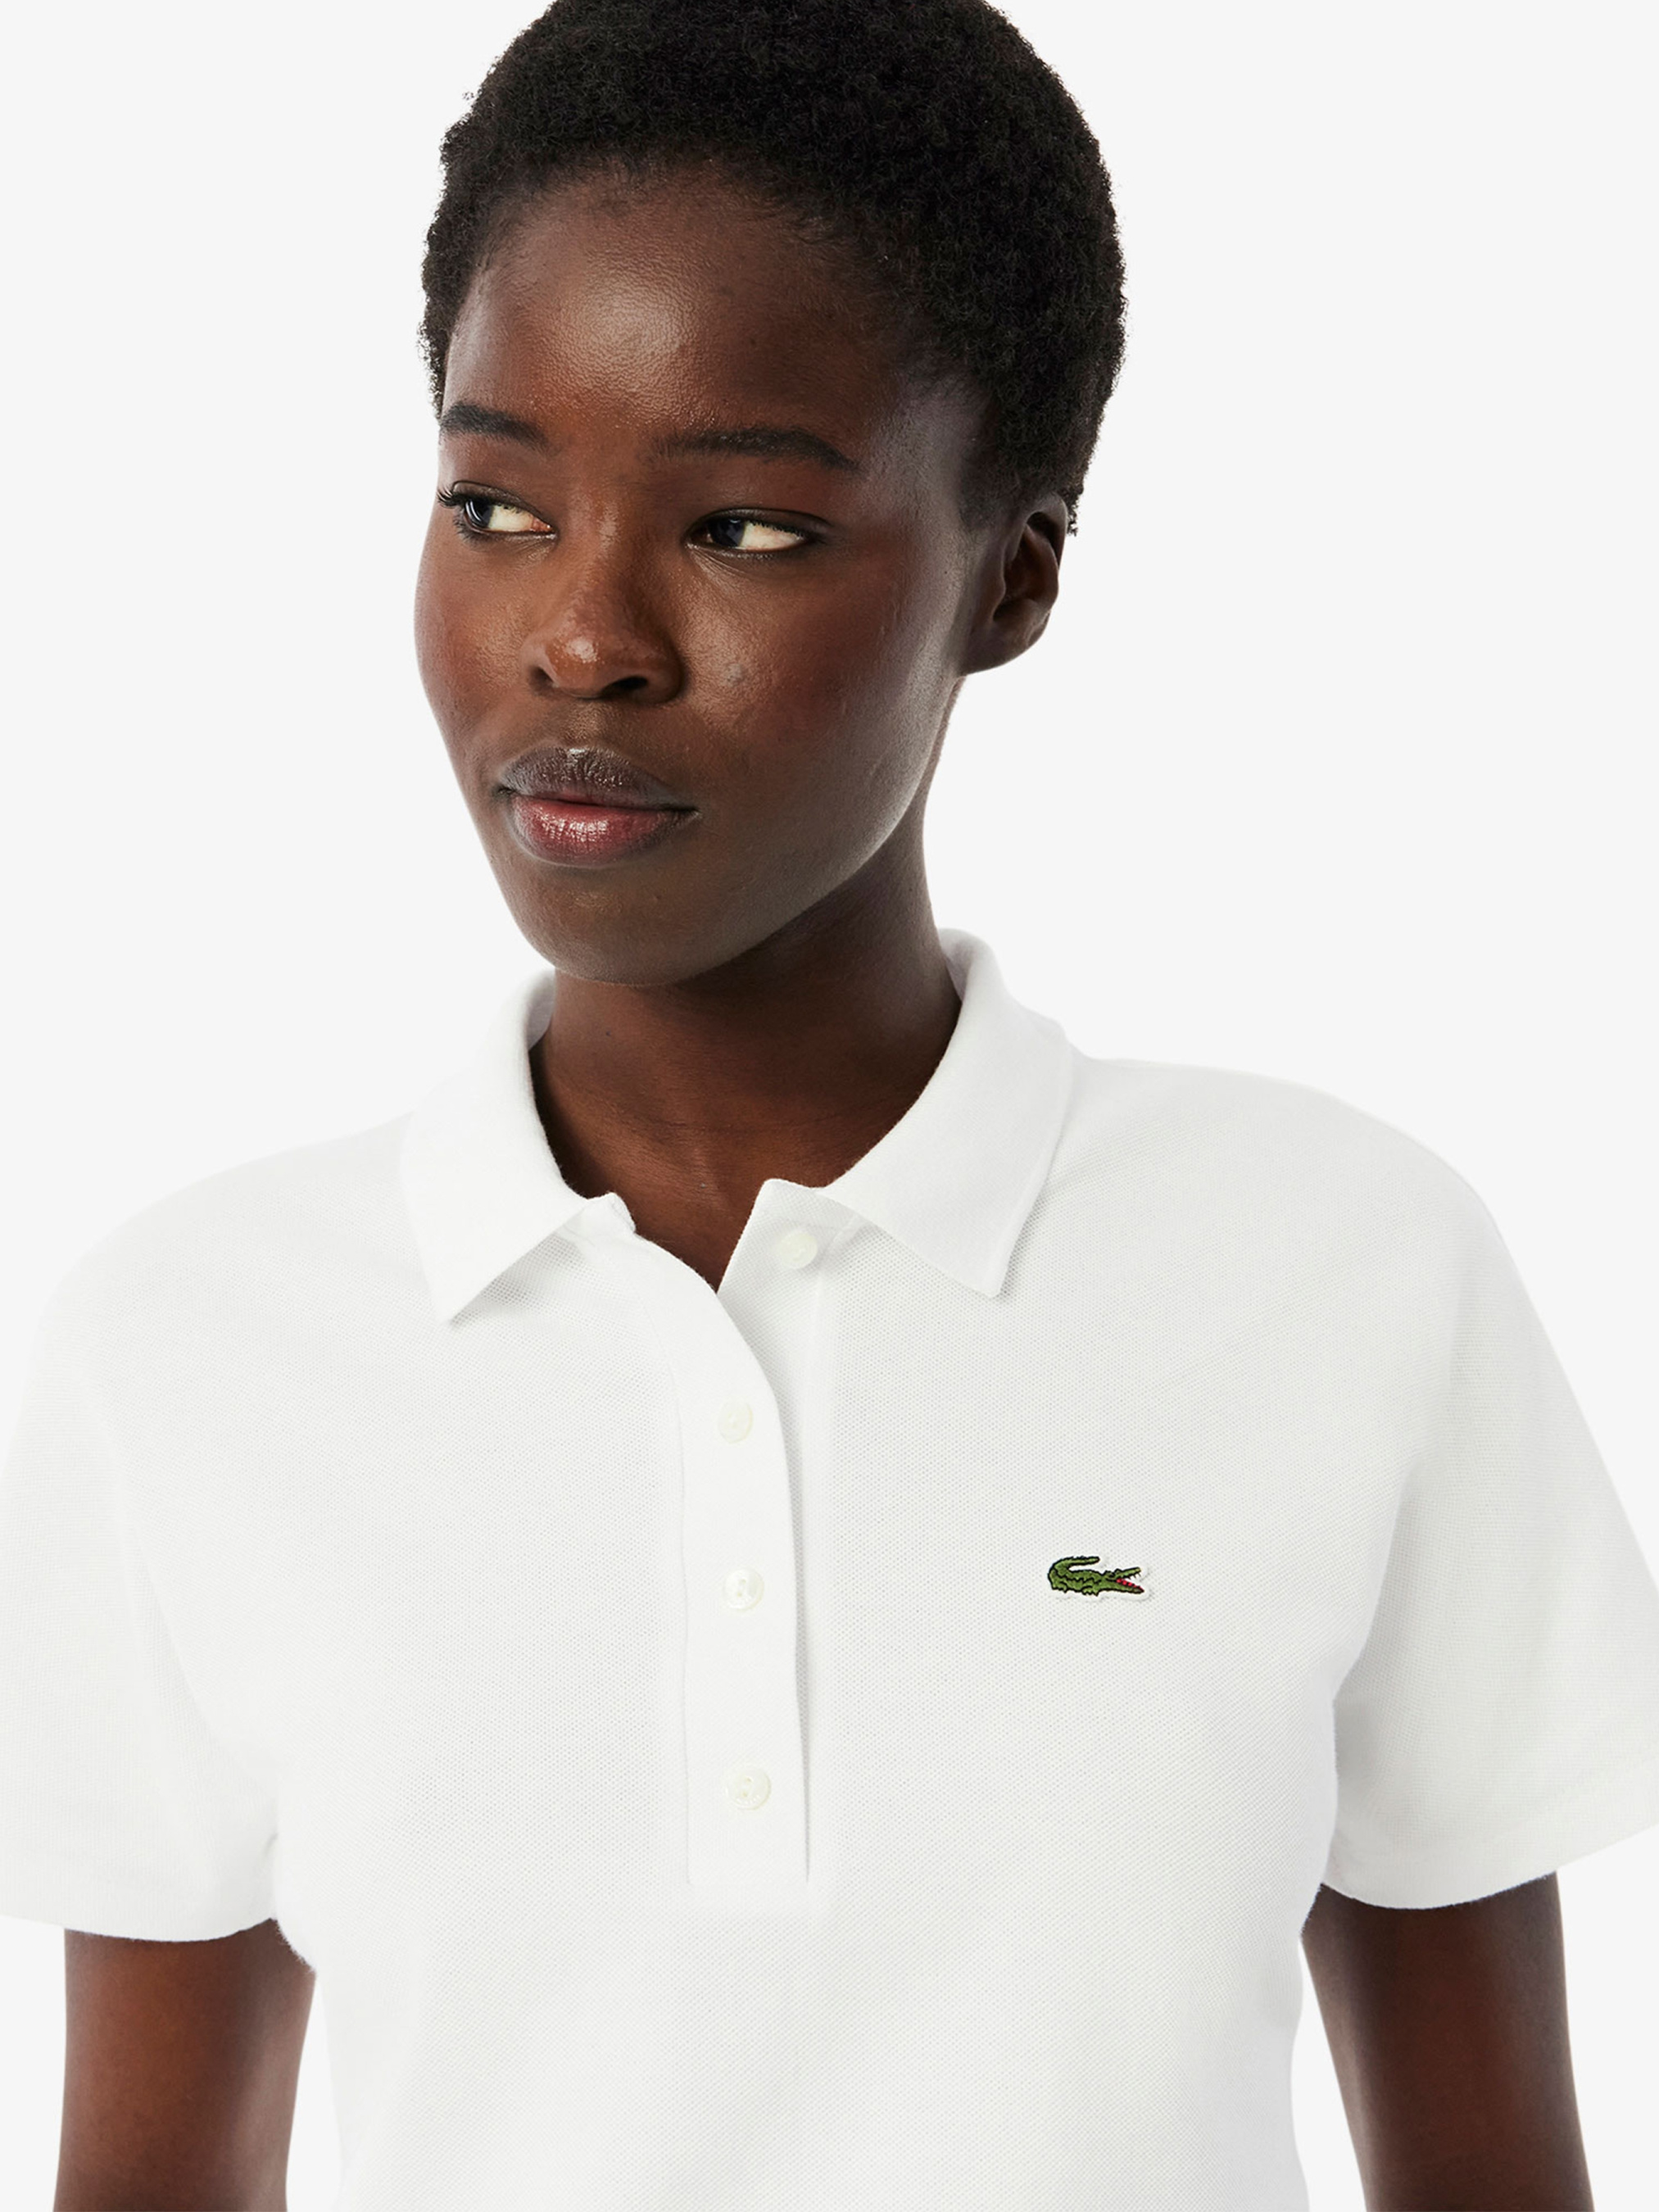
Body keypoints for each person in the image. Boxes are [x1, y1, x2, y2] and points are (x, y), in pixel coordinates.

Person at [3, 1, 1657, 2205]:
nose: (580, 636)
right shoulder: (194, 1344)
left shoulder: (1346, 1273)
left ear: (1013, 574)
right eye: (495, 503)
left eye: (747, 530)